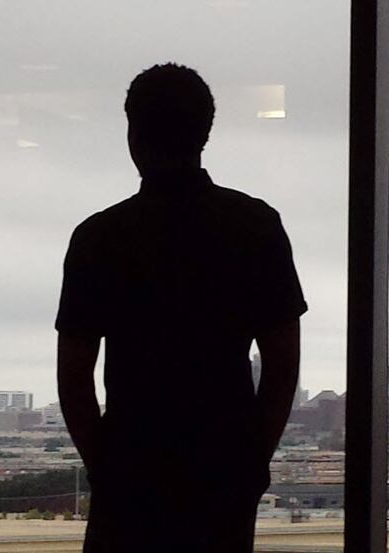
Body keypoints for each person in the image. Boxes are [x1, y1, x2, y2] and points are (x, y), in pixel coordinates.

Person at [55, 63, 307, 552]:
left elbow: (74, 377)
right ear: (205, 133)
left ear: (132, 133)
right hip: (221, 470)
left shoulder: (98, 238)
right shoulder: (254, 227)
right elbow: (282, 365)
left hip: (131, 468)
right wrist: (251, 460)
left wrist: (105, 468)